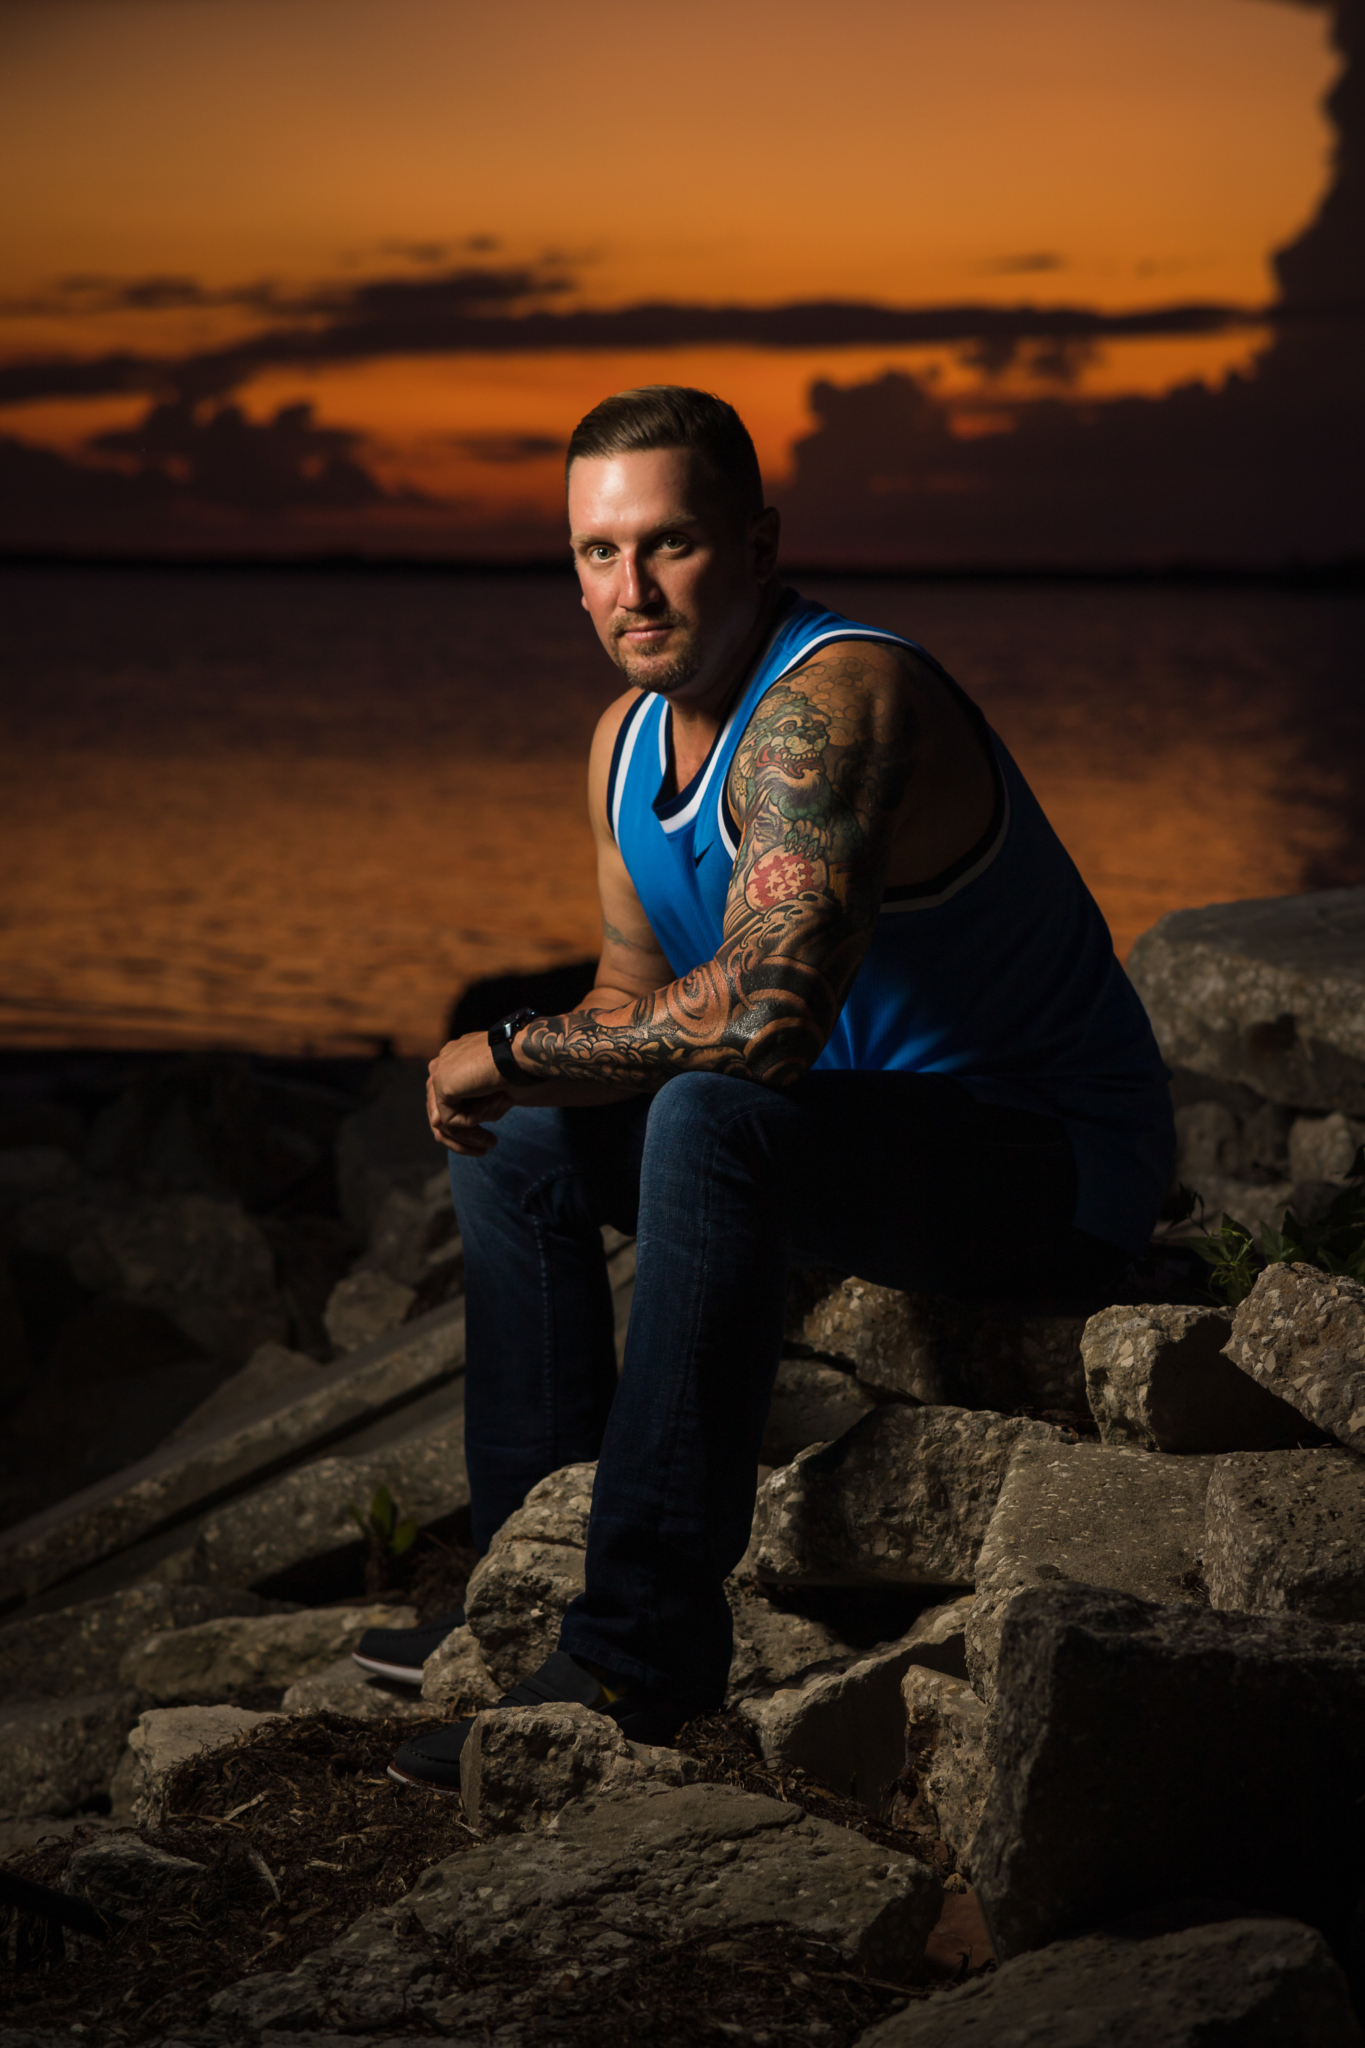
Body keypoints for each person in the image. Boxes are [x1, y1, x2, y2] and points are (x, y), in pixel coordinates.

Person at [355, 385, 1174, 1787]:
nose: (630, 587)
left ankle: (634, 1658)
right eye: (595, 554)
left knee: (705, 1110)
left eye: (666, 544)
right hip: (847, 1147)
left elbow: (768, 1019)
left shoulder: (836, 705)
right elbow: (625, 999)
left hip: (1044, 1161)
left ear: (752, 543)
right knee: (522, 1140)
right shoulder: (622, 742)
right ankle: (527, 1591)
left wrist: (500, 1042)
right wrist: (523, 1077)